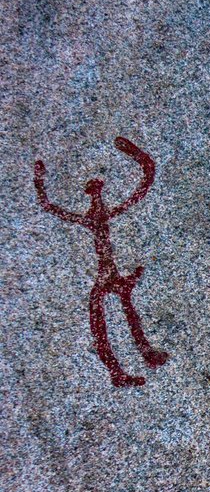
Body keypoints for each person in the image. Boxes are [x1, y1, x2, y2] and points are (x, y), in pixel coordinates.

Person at [33, 137, 169, 386]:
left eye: (98, 190)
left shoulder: (103, 214)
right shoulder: (91, 218)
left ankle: (145, 356)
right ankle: (118, 371)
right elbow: (49, 207)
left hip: (112, 272)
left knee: (127, 315)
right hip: (105, 273)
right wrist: (39, 181)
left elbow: (141, 188)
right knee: (105, 323)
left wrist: (142, 160)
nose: (97, 195)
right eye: (94, 191)